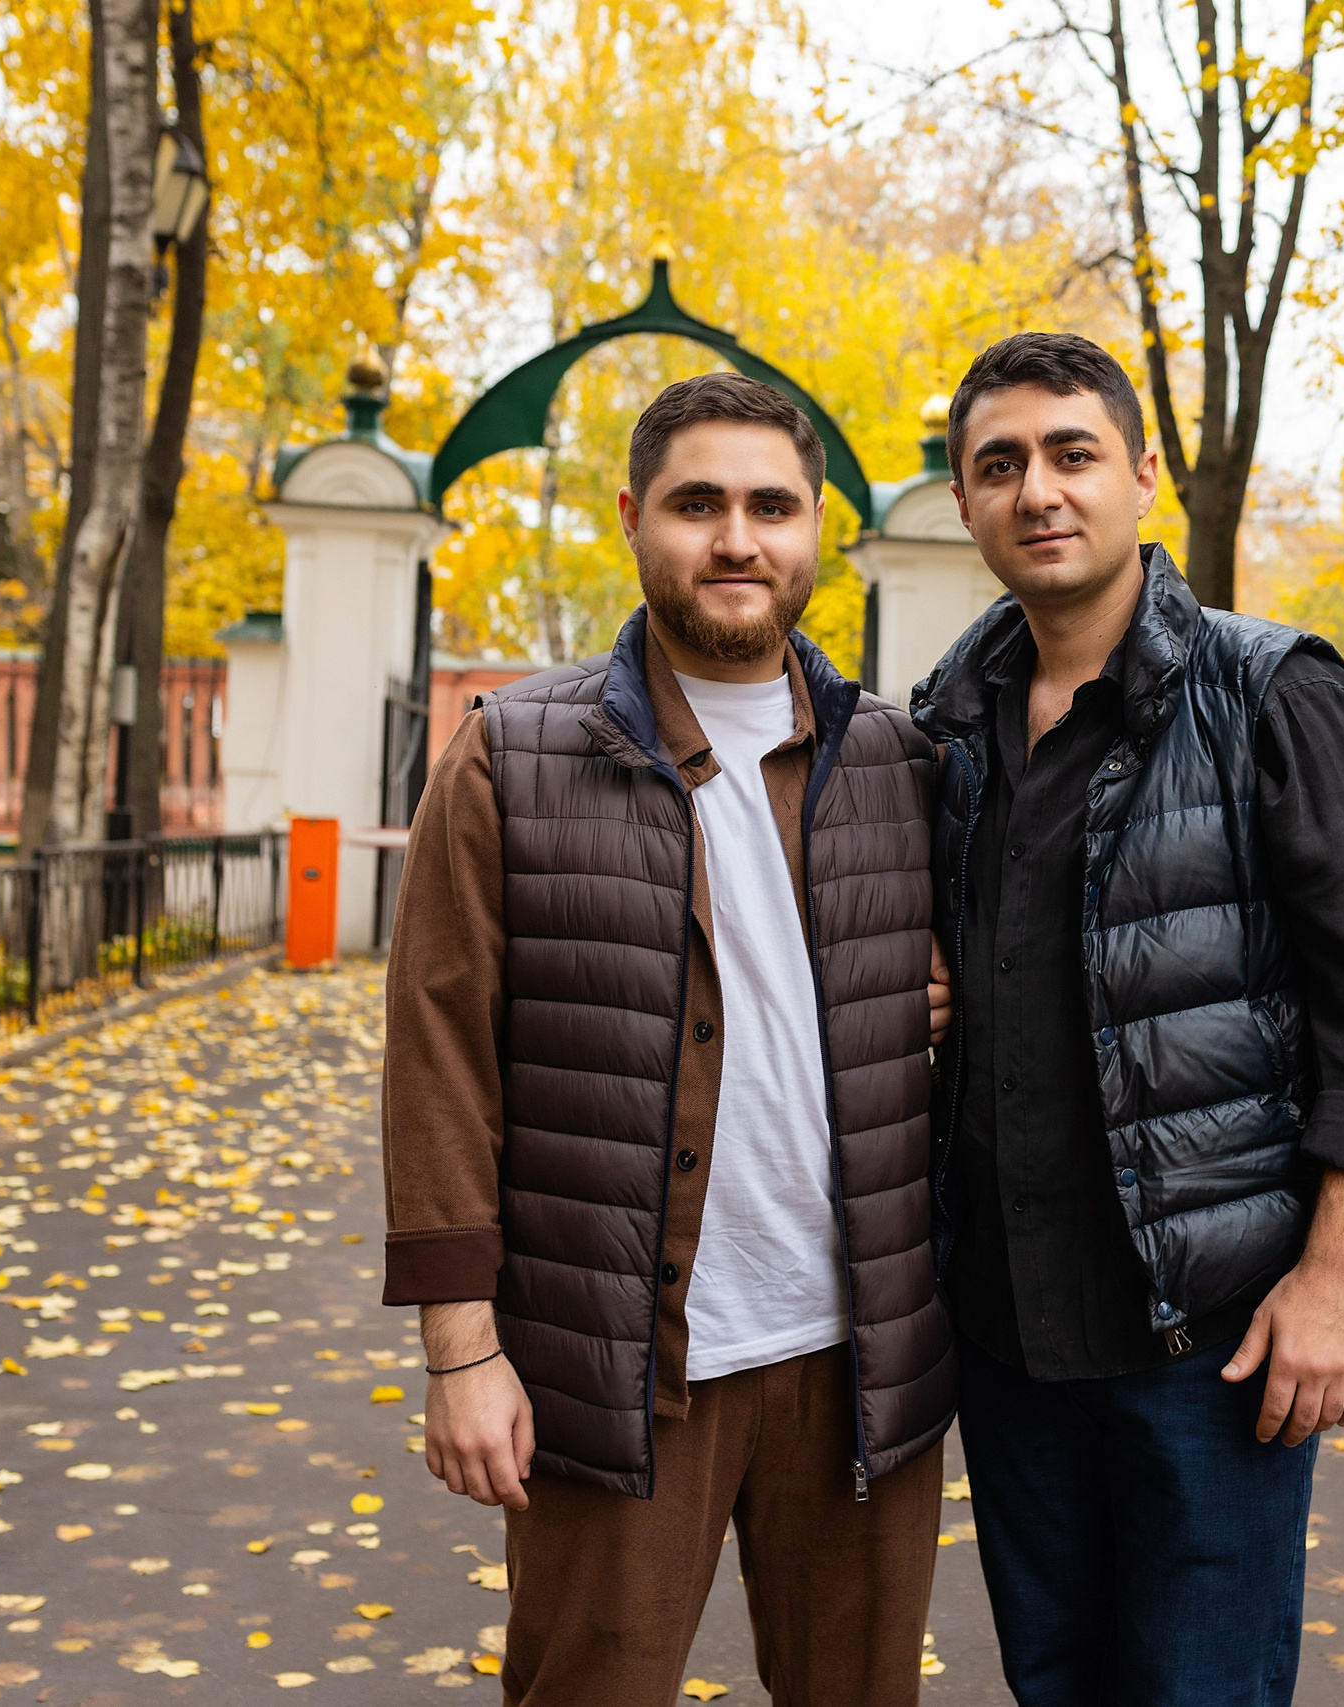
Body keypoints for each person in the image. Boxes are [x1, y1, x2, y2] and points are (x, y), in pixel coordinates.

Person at [379, 371, 955, 1705]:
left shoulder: (900, 762)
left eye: (771, 507)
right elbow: (438, 1059)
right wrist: (460, 1350)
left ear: (818, 529)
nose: (737, 539)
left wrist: (954, 994)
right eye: (699, 504)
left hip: (864, 1361)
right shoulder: (512, 755)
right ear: (635, 518)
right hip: (617, 1361)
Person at [909, 332, 1344, 1706]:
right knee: (1058, 1683)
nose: (1039, 491)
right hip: (1009, 1333)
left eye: (1072, 453)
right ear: (964, 502)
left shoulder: (1277, 696)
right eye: (1000, 465)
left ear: (1143, 476)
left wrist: (1338, 1279)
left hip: (1208, 1334)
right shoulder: (945, 730)